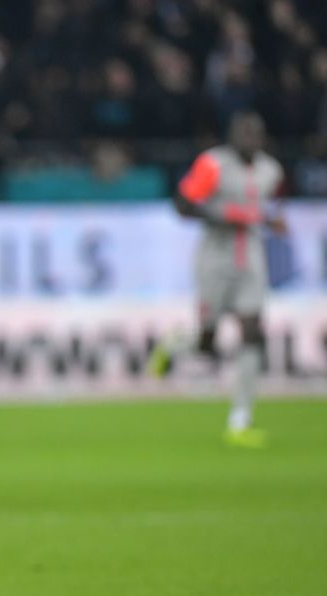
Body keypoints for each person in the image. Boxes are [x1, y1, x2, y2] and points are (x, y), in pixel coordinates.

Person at [151, 110, 286, 447]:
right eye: (244, 134)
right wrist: (220, 215)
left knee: (253, 331)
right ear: (231, 137)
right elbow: (182, 204)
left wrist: (272, 222)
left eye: (255, 134)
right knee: (207, 342)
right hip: (215, 257)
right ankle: (175, 345)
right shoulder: (213, 165)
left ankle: (240, 420)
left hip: (251, 257)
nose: (250, 140)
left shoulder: (272, 171)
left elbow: (265, 209)